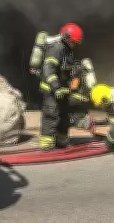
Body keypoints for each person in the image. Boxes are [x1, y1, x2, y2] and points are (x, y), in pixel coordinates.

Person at [38, 23, 83, 151]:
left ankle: (61, 141)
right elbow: (49, 69)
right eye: (73, 42)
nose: (74, 45)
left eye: (76, 42)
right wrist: (56, 87)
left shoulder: (68, 51)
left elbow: (69, 69)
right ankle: (46, 144)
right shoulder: (56, 48)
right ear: (66, 37)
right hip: (50, 89)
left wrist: (74, 81)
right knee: (51, 114)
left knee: (64, 116)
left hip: (62, 90)